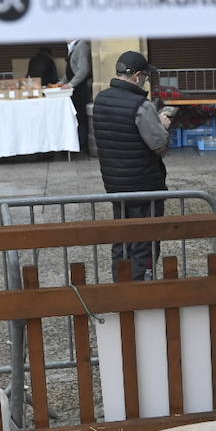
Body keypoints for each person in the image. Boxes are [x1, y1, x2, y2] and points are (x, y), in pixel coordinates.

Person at [91, 50, 173, 281]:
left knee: (123, 235)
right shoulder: (141, 105)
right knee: (146, 236)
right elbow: (158, 145)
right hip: (145, 184)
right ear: (137, 76)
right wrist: (163, 124)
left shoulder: (101, 99)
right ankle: (140, 284)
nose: (146, 81)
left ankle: (121, 281)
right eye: (146, 77)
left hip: (115, 184)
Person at [63, 38, 93, 154]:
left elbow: (83, 70)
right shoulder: (73, 47)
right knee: (77, 116)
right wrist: (61, 83)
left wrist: (70, 84)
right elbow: (70, 70)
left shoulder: (81, 46)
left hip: (82, 88)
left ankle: (82, 144)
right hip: (75, 89)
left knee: (81, 116)